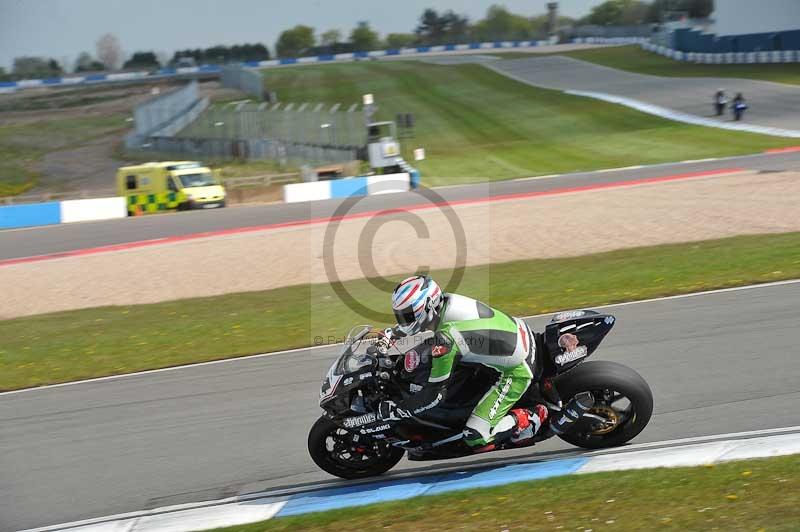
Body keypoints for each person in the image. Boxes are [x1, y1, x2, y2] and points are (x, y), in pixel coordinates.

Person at [371, 275, 548, 452]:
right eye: (401, 315)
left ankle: (531, 417)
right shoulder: (446, 301)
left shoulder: (446, 339)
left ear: (428, 305)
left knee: (476, 436)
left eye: (408, 315)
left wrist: (398, 411)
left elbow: (434, 396)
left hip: (517, 370)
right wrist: (391, 334)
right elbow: (420, 325)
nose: (405, 320)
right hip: (519, 333)